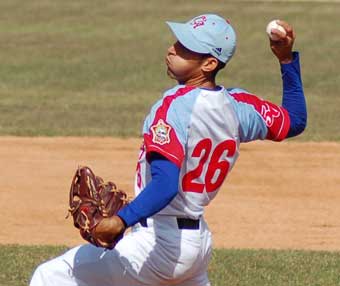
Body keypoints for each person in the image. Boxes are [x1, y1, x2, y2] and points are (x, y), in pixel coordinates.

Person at [30, 14, 307, 286]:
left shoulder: (172, 106)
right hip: (196, 248)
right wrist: (286, 60)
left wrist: (119, 221)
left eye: (186, 49)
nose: (172, 49)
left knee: (52, 276)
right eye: (177, 41)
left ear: (209, 63)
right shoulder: (238, 107)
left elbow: (165, 185)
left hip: (157, 245)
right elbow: (294, 121)